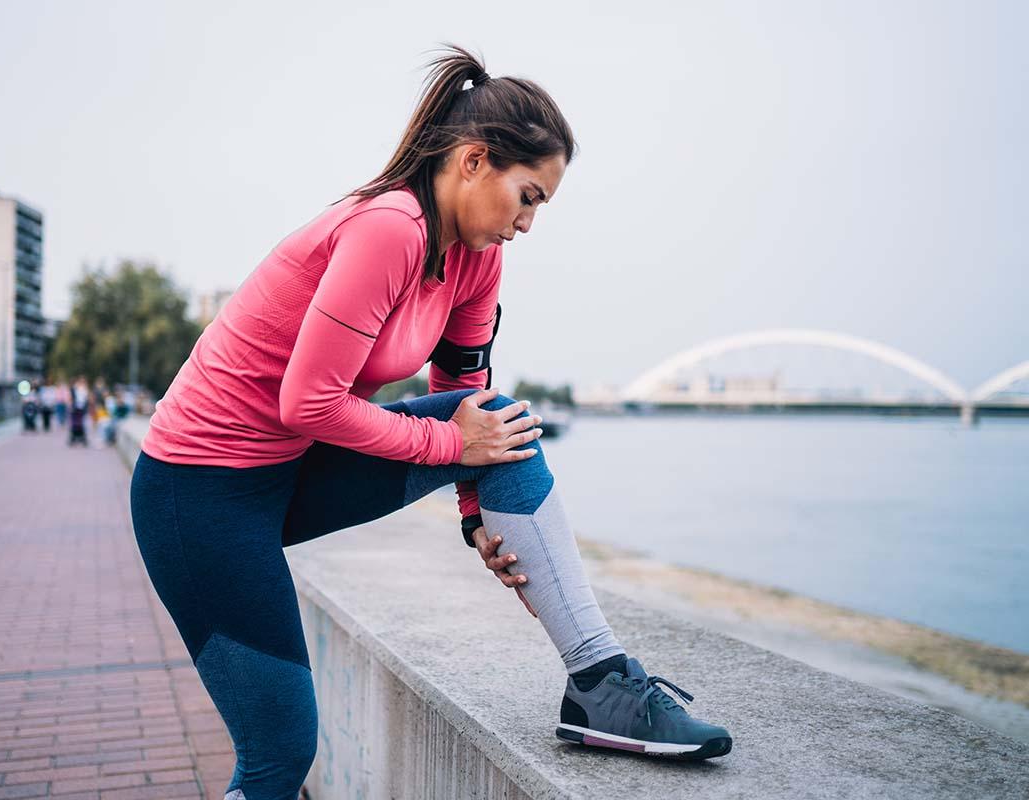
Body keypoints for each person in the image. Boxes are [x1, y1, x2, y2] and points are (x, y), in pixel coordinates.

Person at [129, 45, 732, 800]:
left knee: (503, 420)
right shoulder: (389, 228)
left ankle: (600, 685)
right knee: (281, 753)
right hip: (198, 496)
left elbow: (465, 392)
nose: (529, 222)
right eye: (529, 196)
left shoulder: (476, 256)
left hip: (290, 472)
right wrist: (452, 444)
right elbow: (307, 402)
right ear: (475, 160)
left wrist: (477, 513)